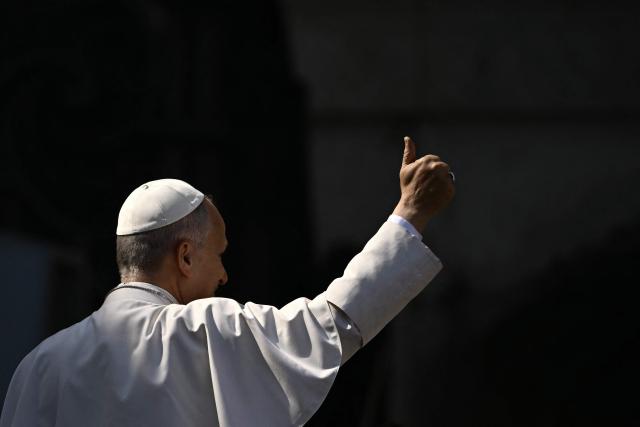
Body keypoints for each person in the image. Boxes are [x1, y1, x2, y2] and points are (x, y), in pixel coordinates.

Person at [0, 137, 455, 426]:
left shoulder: (39, 368)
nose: (224, 274)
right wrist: (409, 216)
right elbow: (331, 325)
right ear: (184, 255)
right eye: (218, 254)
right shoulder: (206, 331)